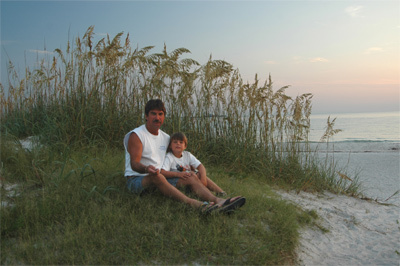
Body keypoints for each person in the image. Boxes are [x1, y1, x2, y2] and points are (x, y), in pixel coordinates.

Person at [123, 99, 245, 214]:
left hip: (160, 176)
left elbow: (177, 154)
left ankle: (219, 201)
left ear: (164, 117)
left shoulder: (165, 137)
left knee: (190, 175)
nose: (157, 118)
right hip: (137, 179)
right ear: (146, 116)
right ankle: (197, 205)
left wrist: (189, 170)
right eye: (153, 114)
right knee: (158, 176)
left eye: (160, 114)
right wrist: (146, 169)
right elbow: (134, 164)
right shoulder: (137, 135)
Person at [161, 132, 227, 197]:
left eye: (181, 142)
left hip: (189, 179)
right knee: (192, 177)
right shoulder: (169, 157)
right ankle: (209, 196)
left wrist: (203, 179)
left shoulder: (187, 155)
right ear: (170, 145)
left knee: (199, 174)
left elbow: (200, 166)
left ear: (185, 146)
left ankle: (221, 192)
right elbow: (163, 172)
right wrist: (179, 174)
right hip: (175, 181)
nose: (178, 144)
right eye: (175, 142)